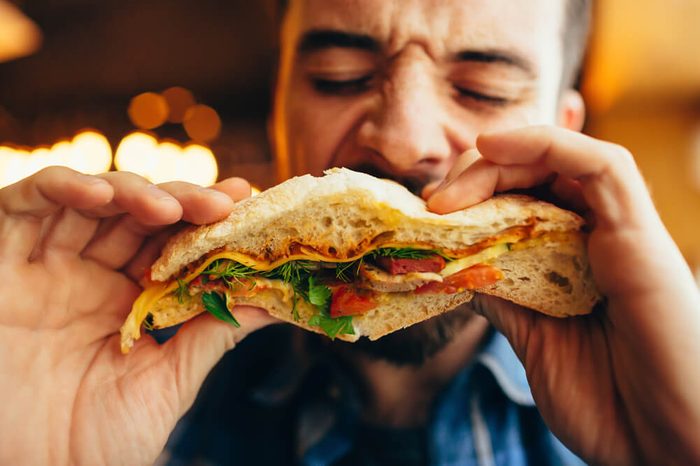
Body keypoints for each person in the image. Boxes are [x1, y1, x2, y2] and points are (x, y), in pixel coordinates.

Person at [1, 0, 699, 465]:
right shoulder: (121, 385)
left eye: (483, 88)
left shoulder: (663, 395)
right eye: (340, 76)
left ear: (563, 133)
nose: (402, 142)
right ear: (279, 111)